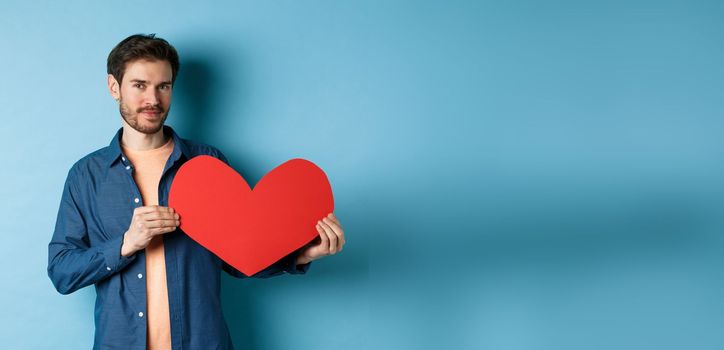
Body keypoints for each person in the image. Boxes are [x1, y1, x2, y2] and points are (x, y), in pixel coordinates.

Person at [47, 33, 345, 350]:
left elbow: (238, 257)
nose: (153, 99)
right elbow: (62, 271)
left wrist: (301, 254)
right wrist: (126, 243)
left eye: (163, 85)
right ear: (114, 87)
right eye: (139, 85)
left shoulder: (209, 164)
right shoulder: (86, 176)